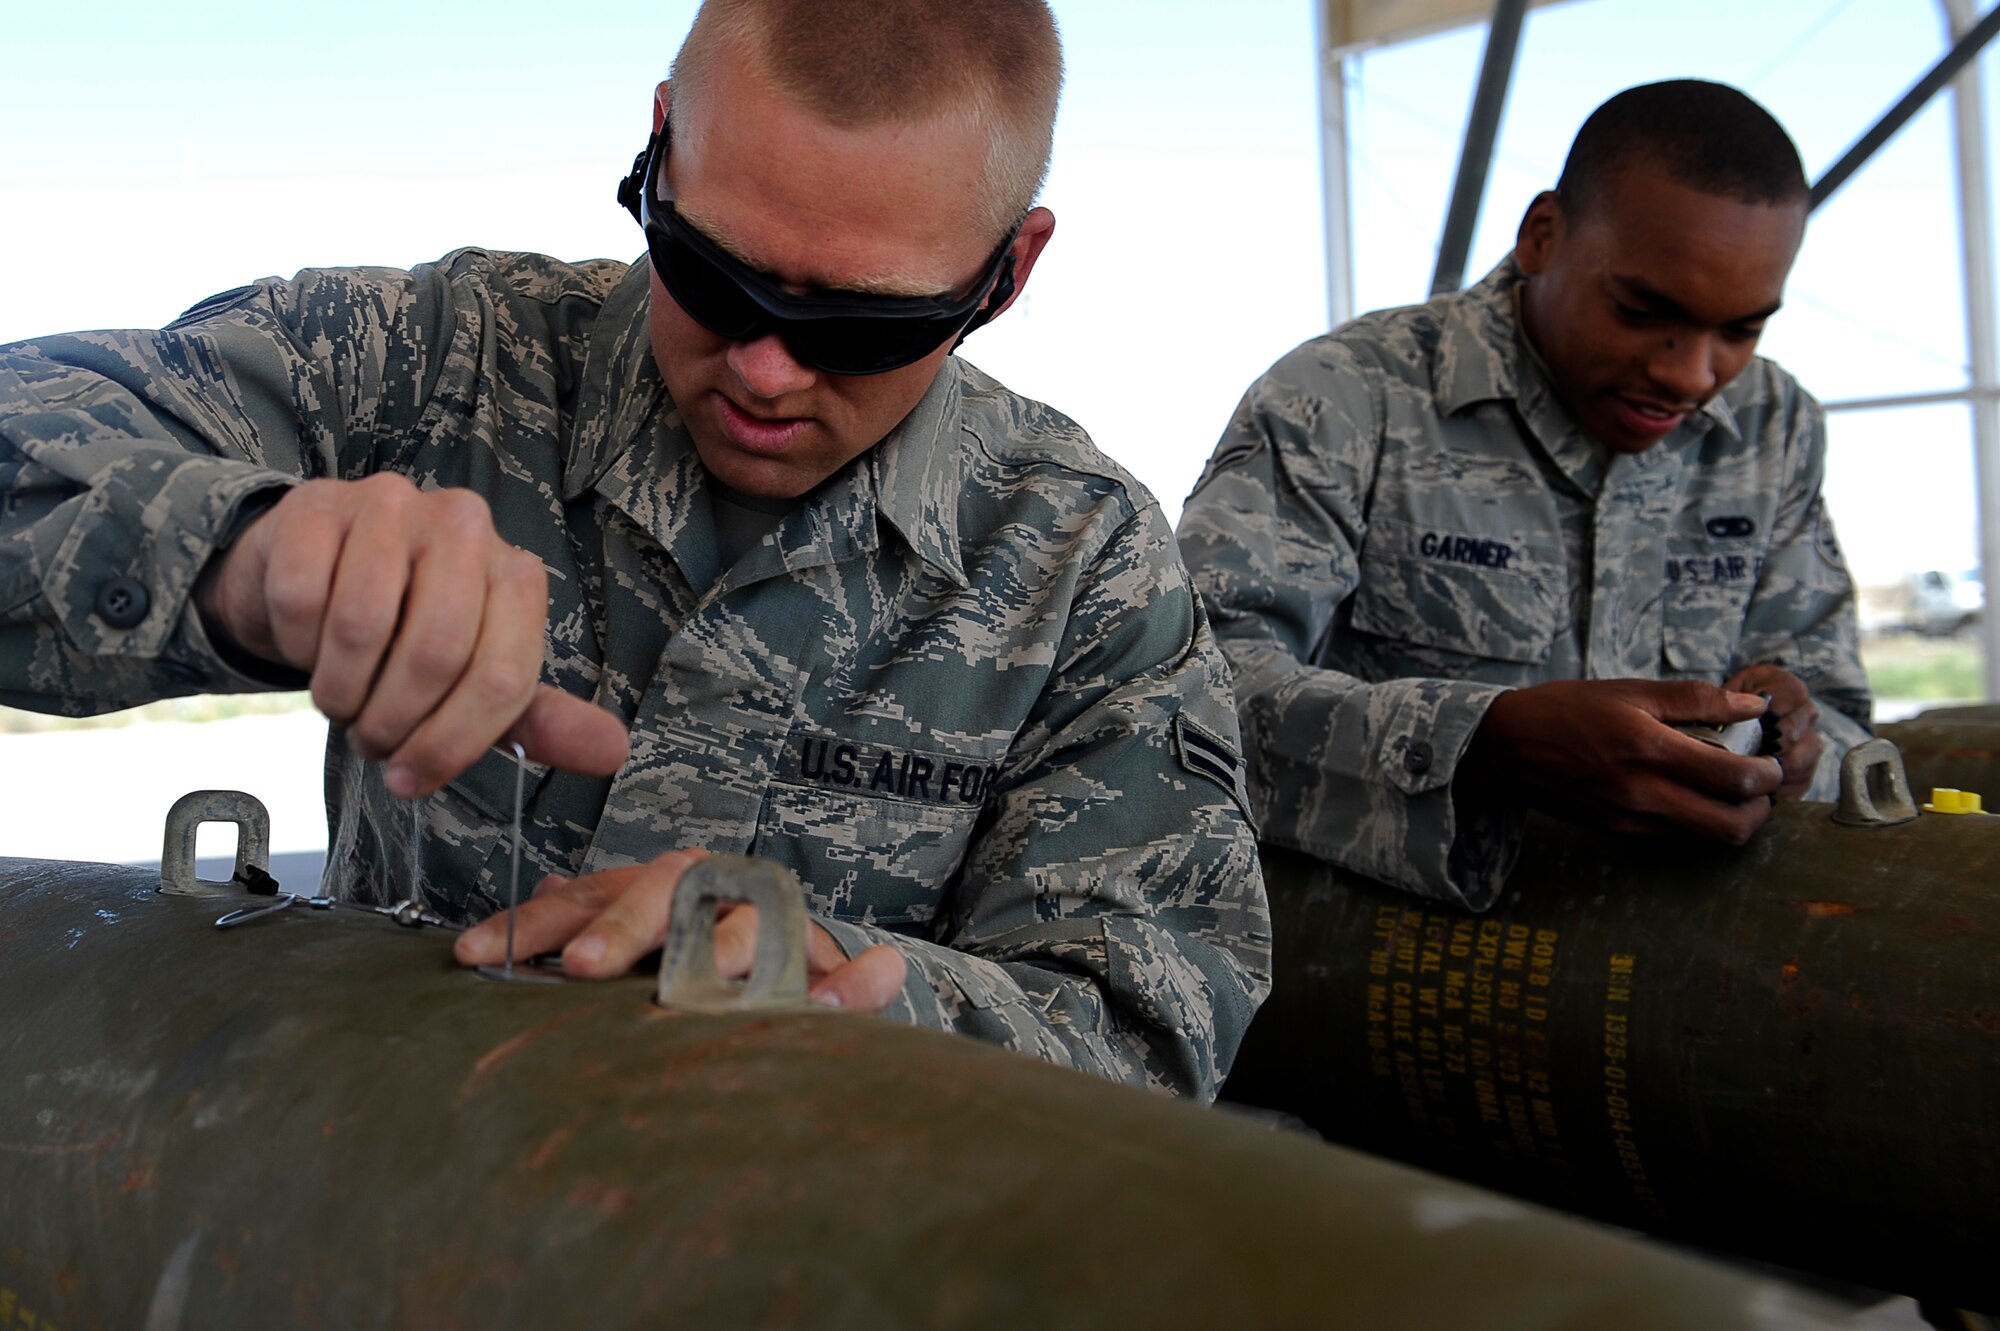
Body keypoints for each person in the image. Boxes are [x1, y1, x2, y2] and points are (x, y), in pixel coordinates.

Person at [0, 0, 1269, 1098]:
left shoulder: (1079, 563)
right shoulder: (436, 364)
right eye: (710, 274)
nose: (765, 370)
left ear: (1006, 271)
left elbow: (1151, 1019)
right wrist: (235, 556)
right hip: (386, 1180)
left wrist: (848, 992)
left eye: (862, 325)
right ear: (659, 146)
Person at [1176, 80, 1871, 912]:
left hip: (1674, 964)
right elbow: (1186, 702)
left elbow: (1845, 724)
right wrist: (1481, 747)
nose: (1691, 374)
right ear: (1543, 236)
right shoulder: (1349, 396)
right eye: (1641, 310)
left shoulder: (1774, 427)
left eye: (1740, 330)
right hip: (1376, 964)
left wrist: (1796, 747)